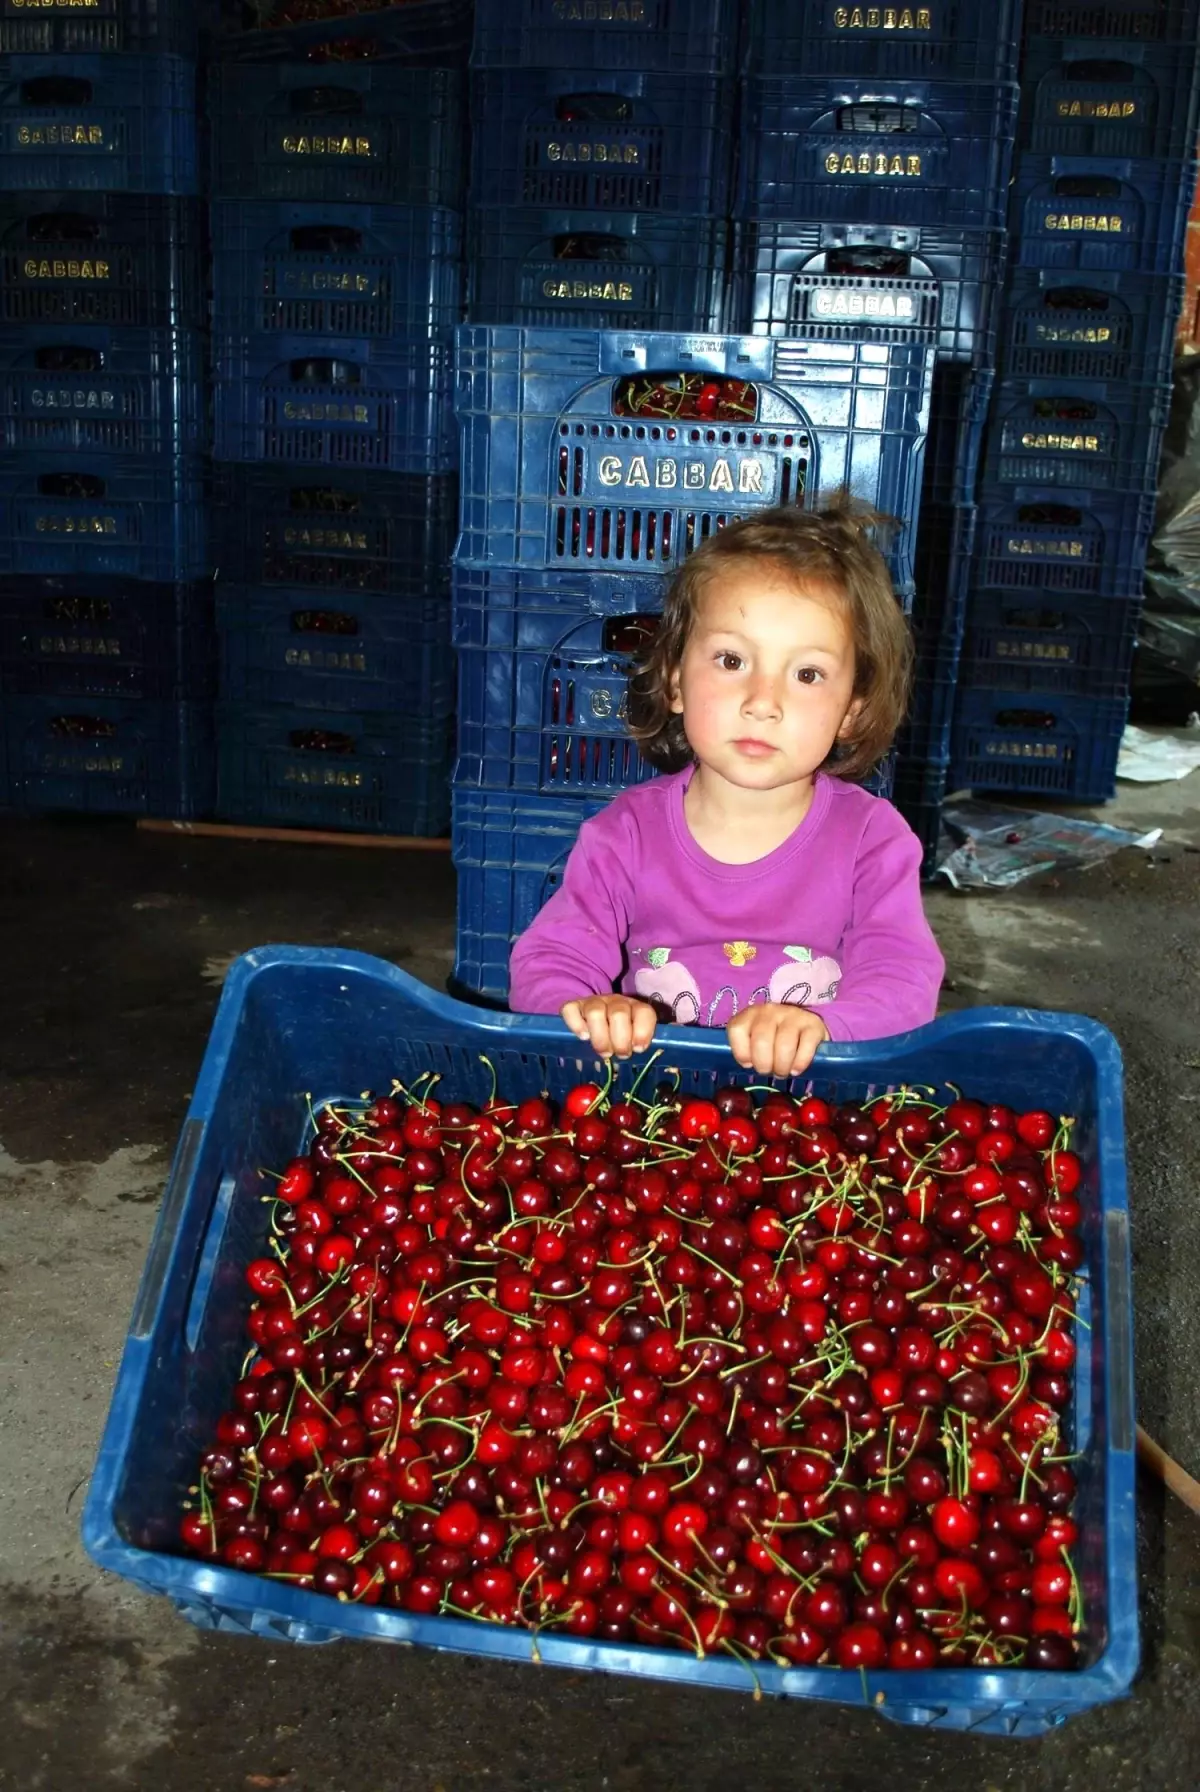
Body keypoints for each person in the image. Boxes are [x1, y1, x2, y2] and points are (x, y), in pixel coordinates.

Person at [508, 498, 944, 1077]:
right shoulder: (624, 835)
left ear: (851, 712)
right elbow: (549, 958)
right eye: (732, 660)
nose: (763, 702)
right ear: (675, 682)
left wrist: (827, 1026)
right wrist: (585, 1009)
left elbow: (905, 981)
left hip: (812, 1110)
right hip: (653, 1102)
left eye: (807, 674)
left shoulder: (872, 840)